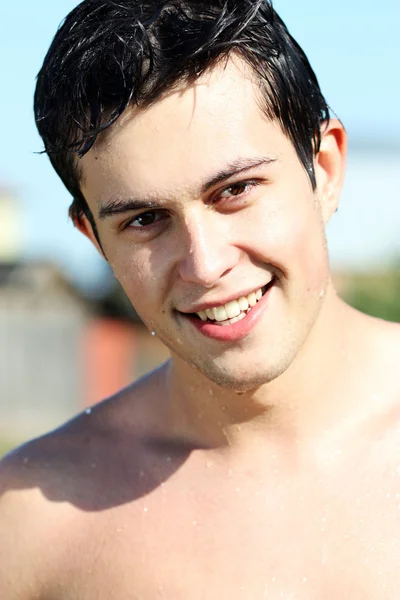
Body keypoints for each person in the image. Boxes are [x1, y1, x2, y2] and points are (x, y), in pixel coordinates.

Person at [1, 0, 399, 597]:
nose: (206, 264)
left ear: (324, 169)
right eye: (145, 220)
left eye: (235, 190)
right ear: (95, 239)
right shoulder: (31, 522)